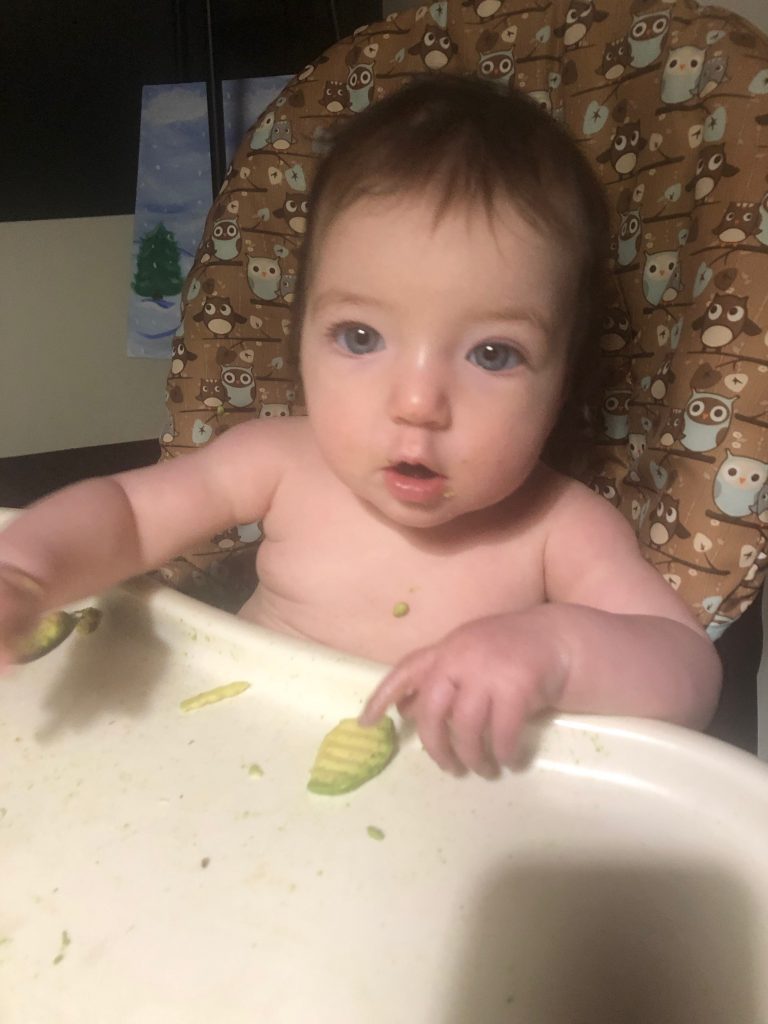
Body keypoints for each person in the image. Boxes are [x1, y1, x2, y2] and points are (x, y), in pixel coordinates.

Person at [0, 75, 721, 776]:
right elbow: (126, 514)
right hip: (217, 757)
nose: (417, 403)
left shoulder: (561, 528)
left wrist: (556, 653)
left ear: (565, 380)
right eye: (361, 337)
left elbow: (687, 669)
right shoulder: (278, 462)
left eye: (492, 353)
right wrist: (29, 567)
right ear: (301, 331)